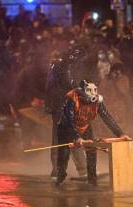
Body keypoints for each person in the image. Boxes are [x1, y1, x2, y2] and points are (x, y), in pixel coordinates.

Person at [56, 80, 132, 186]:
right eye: (89, 90)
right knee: (64, 154)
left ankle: (92, 179)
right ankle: (60, 177)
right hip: (66, 127)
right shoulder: (72, 98)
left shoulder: (97, 101)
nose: (93, 93)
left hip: (85, 125)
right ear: (82, 91)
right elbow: (70, 120)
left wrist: (120, 133)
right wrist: (77, 138)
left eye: (95, 90)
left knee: (91, 150)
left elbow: (107, 117)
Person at [45, 44, 88, 180]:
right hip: (62, 108)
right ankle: (82, 170)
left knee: (61, 138)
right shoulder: (63, 67)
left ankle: (58, 170)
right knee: (69, 136)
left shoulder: (57, 67)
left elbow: (49, 89)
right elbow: (69, 86)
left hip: (59, 108)